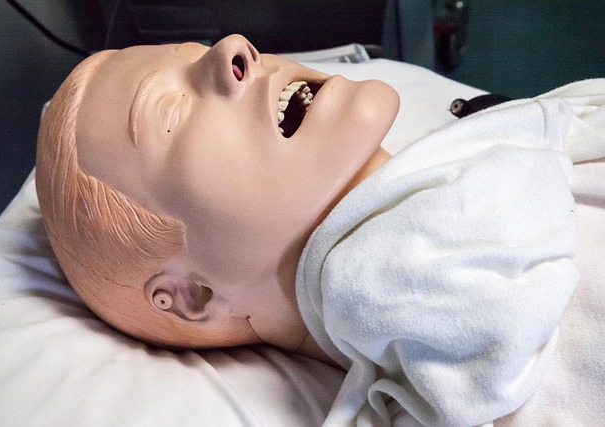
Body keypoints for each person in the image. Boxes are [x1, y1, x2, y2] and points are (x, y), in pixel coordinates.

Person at [37, 34, 603, 426]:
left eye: (201, 51)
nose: (234, 49)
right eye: (171, 115)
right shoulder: (431, 276)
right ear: (195, 294)